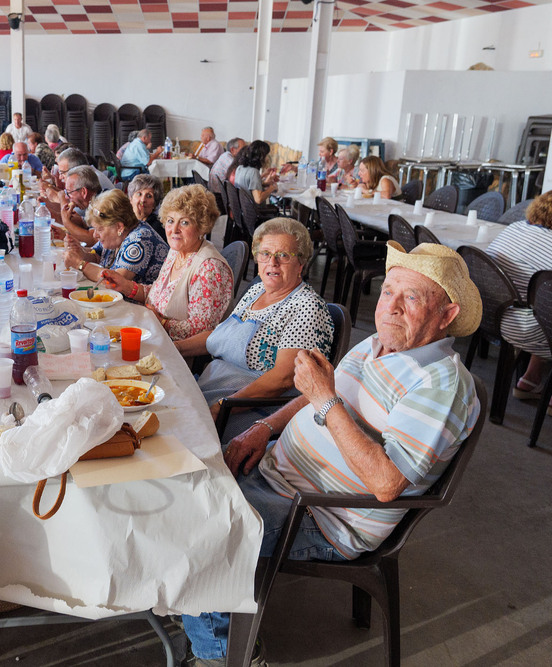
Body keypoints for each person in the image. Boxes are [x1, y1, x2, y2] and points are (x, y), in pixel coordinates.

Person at [182, 241, 482, 666]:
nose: (391, 307)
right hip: (274, 473)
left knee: (196, 535)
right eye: (387, 291)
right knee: (177, 487)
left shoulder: (442, 384)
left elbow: (385, 482)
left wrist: (326, 400)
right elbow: (314, 395)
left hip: (321, 517)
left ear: (447, 315)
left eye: (412, 297)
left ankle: (226, 656)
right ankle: (200, 608)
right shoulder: (374, 345)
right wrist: (264, 427)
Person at [174, 218, 334, 437]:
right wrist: (176, 349)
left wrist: (223, 406)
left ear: (301, 264)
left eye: (284, 255)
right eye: (265, 254)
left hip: (248, 411)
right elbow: (222, 335)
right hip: (209, 390)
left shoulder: (306, 307)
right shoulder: (257, 291)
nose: (273, 263)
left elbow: (283, 379)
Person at [102, 184, 234, 341]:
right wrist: (124, 285)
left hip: (178, 351)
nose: (174, 229)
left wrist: (162, 323)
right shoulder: (176, 252)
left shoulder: (209, 268)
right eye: (170, 221)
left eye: (184, 222)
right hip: (156, 333)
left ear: (201, 226)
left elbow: (202, 331)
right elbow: (159, 295)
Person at [487, 192, 552, 409]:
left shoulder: (514, 228)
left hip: (491, 318)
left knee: (542, 306)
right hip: (527, 329)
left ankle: (530, 379)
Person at [63, 188, 169, 286]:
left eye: (99, 229)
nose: (95, 235)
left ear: (119, 227)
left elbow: (115, 281)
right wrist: (79, 251)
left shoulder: (140, 240)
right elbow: (96, 256)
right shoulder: (116, 235)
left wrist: (79, 264)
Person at [234, 140, 279, 204]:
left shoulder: (240, 168)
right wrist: (272, 188)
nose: (267, 158)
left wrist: (264, 183)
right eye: (266, 155)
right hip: (254, 211)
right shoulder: (254, 172)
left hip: (243, 208)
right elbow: (258, 199)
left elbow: (247, 185)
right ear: (261, 157)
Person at [128, 173, 165, 238]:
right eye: (139, 194)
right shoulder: (125, 221)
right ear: (131, 199)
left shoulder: (157, 229)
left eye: (149, 196)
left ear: (154, 204)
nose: (143, 200)